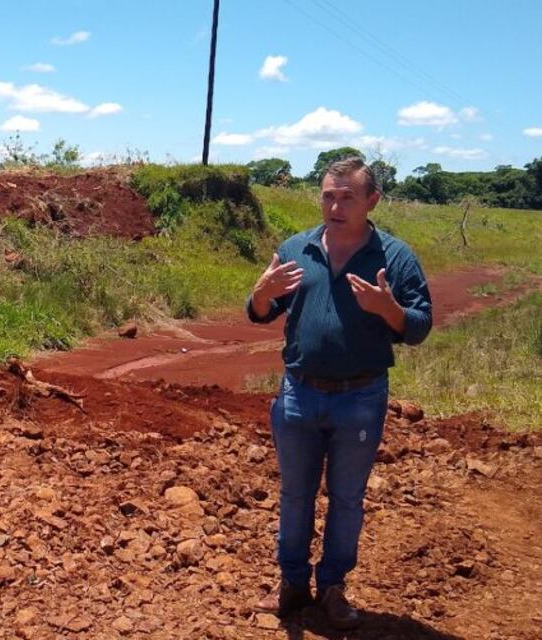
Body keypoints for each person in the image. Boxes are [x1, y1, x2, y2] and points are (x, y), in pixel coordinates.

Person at [248, 157, 432, 629]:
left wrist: (387, 308)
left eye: (347, 196)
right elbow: (260, 313)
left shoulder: (396, 257)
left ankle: (332, 588)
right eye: (328, 194)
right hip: (298, 394)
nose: (335, 205)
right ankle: (291, 584)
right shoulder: (296, 248)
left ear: (372, 201)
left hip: (360, 398)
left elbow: (417, 328)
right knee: (294, 494)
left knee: (346, 499)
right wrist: (261, 294)